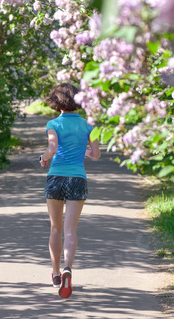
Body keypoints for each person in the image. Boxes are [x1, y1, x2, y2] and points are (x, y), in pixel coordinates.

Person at [39, 83, 101, 298]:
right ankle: (67, 269)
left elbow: (52, 149)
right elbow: (96, 154)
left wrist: (44, 158)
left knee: (55, 229)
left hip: (56, 177)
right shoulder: (88, 125)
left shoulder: (53, 123)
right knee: (70, 230)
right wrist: (80, 150)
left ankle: (55, 273)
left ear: (56, 102)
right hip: (77, 178)